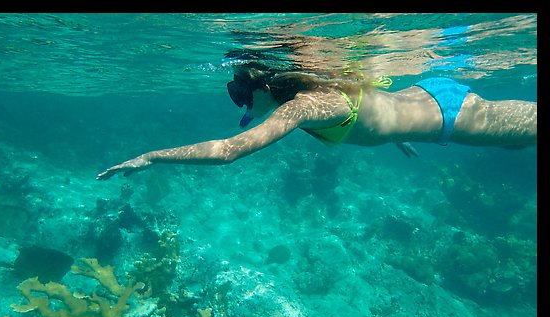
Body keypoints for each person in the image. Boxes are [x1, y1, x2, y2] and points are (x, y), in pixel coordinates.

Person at [96, 62, 537, 180]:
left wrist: (152, 157)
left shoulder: (306, 105)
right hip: (424, 95)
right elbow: (371, 109)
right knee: (517, 143)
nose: (240, 103)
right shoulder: (312, 97)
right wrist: (395, 135)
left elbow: (229, 151)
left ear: (270, 87)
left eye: (240, 93)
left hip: (455, 119)